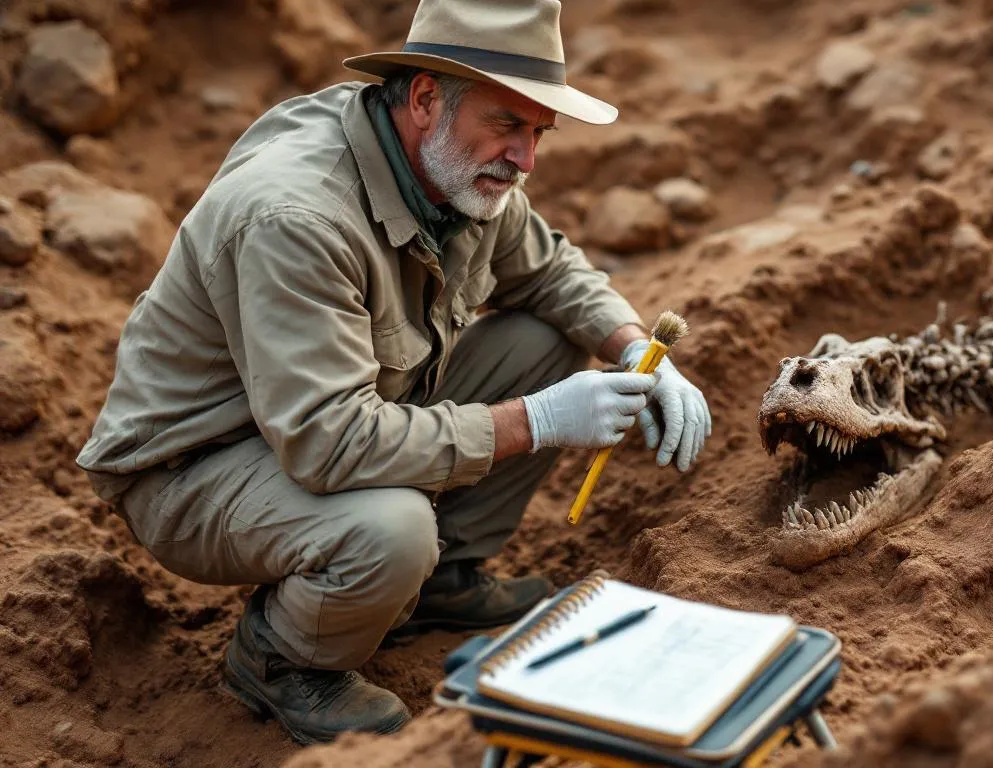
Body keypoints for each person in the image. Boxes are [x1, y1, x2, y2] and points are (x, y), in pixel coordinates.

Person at [74, 0, 710, 745]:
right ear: (425, 97)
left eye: (539, 132)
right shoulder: (297, 217)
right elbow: (328, 444)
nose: (526, 157)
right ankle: (283, 661)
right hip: (195, 466)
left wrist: (634, 346)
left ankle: (437, 582)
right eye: (508, 124)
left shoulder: (452, 164)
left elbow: (550, 273)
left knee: (550, 339)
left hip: (334, 417)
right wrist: (538, 421)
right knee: (391, 530)